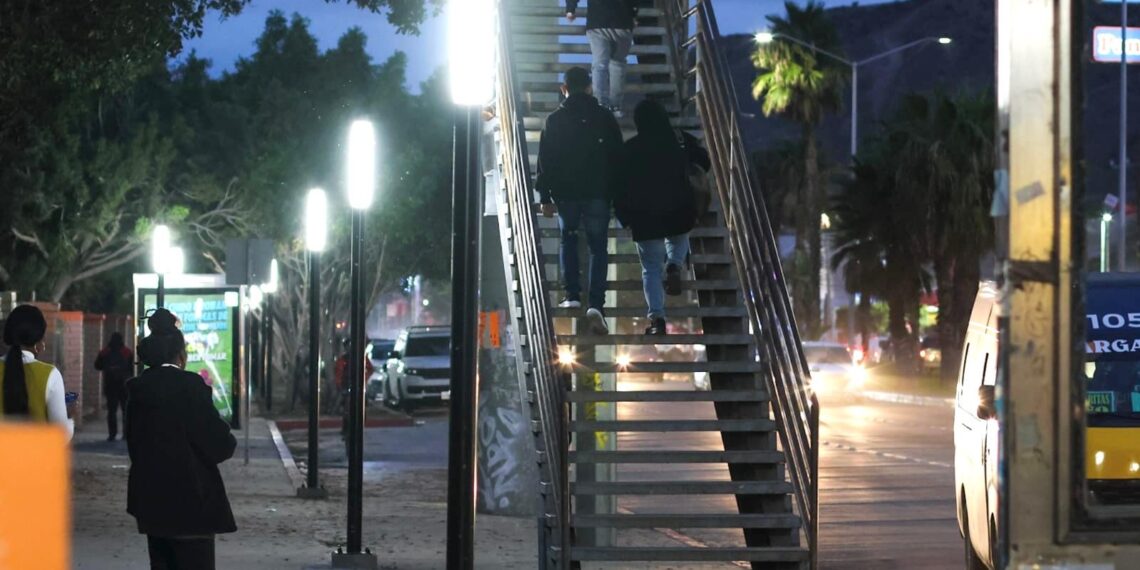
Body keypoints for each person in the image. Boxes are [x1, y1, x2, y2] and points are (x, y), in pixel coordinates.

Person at [127, 308, 236, 570]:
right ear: (181, 354)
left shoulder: (137, 389)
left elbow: (134, 443)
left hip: (151, 503)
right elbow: (219, 445)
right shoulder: (191, 386)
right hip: (192, 503)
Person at [536, 66, 625, 335]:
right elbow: (617, 156)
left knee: (569, 238)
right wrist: (616, 192)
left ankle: (572, 293)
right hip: (598, 192)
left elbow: (545, 160)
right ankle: (596, 303)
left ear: (565, 88)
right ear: (589, 87)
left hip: (566, 194)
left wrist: (545, 197)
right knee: (599, 247)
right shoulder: (604, 117)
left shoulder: (554, 120)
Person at [615, 99, 711, 335]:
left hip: (645, 218)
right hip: (680, 211)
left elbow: (620, 187)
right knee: (680, 235)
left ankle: (657, 319)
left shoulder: (631, 148)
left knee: (650, 269)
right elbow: (705, 163)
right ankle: (675, 265)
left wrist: (624, 217)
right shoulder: (680, 140)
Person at [0, 305, 73, 439]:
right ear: (37, 342)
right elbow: (60, 435)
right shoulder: (51, 375)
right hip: (34, 458)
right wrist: (70, 421)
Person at [565, 0, 637, 116]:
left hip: (597, 21)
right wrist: (634, 13)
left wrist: (570, 9)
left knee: (600, 65)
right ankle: (615, 106)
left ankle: (600, 103)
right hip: (622, 21)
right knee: (618, 65)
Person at [94, 332, 133, 441]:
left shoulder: (105, 352)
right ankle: (126, 434)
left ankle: (112, 434)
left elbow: (97, 366)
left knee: (112, 411)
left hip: (110, 385)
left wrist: (109, 368)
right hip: (124, 385)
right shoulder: (127, 352)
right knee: (126, 410)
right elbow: (132, 369)